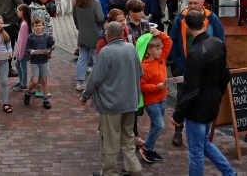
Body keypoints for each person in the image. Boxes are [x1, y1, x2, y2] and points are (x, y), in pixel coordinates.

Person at [171, 10, 235, 176]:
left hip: (198, 109)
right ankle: (229, 172)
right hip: (212, 103)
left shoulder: (196, 53)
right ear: (204, 23)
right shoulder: (217, 43)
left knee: (196, 151)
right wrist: (218, 94)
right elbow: (225, 74)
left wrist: (178, 114)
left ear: (186, 26)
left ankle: (229, 172)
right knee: (204, 143)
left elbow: (191, 89)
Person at [80, 21, 143, 176]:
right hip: (130, 102)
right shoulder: (131, 49)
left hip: (110, 105)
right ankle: (134, 168)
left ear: (107, 35)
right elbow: (140, 73)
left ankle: (109, 172)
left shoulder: (106, 52)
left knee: (109, 140)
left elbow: (95, 78)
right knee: (128, 137)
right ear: (122, 33)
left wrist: (85, 95)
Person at [168, 0, 225, 146]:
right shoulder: (180, 19)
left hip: (205, 69)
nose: (192, 6)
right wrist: (176, 63)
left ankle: (202, 134)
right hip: (184, 66)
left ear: (202, 3)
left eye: (195, 3)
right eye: (190, 3)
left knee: (201, 97)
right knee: (182, 97)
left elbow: (221, 40)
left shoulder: (212, 19)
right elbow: (172, 41)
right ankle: (178, 132)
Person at [139, 29, 173, 163]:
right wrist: (156, 87)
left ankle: (150, 149)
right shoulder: (144, 66)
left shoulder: (161, 59)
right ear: (149, 51)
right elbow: (142, 86)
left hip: (162, 99)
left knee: (155, 125)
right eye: (157, 49)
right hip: (152, 101)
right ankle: (146, 148)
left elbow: (168, 42)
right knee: (160, 126)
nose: (160, 51)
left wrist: (160, 34)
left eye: (160, 48)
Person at [73, 0, 103, 91]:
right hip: (95, 32)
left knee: (82, 58)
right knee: (96, 57)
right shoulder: (95, 2)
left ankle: (80, 82)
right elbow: (100, 18)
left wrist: (80, 28)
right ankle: (96, 82)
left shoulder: (76, 3)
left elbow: (75, 19)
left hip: (83, 33)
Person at [23, 15, 55, 110]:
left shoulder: (47, 37)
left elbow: (50, 46)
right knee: (35, 81)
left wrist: (49, 51)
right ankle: (28, 92)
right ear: (33, 27)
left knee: (44, 80)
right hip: (34, 61)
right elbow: (27, 48)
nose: (38, 27)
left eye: (40, 25)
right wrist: (31, 51)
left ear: (43, 26)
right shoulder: (31, 37)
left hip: (44, 60)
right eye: (36, 26)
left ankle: (45, 99)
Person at [12, 4, 32, 92]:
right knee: (18, 65)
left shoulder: (24, 25)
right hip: (21, 50)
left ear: (22, 12)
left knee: (22, 67)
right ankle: (21, 81)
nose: (17, 13)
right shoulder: (24, 23)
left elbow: (23, 40)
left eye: (18, 11)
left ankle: (23, 84)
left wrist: (21, 53)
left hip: (23, 51)